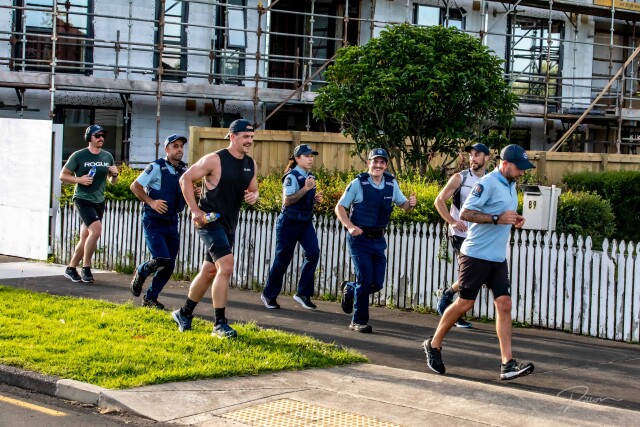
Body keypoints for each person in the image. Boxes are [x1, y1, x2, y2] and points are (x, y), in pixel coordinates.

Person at [423, 144, 536, 380]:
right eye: (519, 168)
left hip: (497, 257)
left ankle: (507, 364)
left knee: (504, 304)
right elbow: (466, 213)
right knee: (465, 303)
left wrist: (513, 218)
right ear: (505, 164)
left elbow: (501, 212)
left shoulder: (511, 184)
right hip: (475, 254)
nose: (522, 172)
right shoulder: (487, 183)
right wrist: (496, 218)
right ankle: (433, 344)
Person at [171, 119, 259, 339]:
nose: (249, 140)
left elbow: (253, 189)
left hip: (229, 224)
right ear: (233, 136)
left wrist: (253, 196)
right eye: (245, 136)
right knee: (226, 267)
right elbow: (185, 179)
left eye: (251, 137)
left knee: (210, 271)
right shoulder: (215, 159)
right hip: (209, 221)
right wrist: (195, 211)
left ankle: (184, 313)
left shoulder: (251, 164)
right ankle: (219, 324)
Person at [335, 148, 416, 333]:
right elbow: (340, 207)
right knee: (365, 281)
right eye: (375, 161)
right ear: (369, 163)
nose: (378, 165)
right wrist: (349, 226)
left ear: (386, 165)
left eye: (382, 162)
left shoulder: (391, 184)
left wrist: (410, 204)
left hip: (378, 240)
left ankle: (350, 288)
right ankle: (358, 321)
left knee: (376, 283)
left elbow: (403, 206)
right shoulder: (358, 183)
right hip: (359, 239)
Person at [433, 143, 491, 328]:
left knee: (480, 274)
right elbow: (439, 201)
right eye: (471, 155)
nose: (473, 158)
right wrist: (452, 221)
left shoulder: (490, 180)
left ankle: (448, 293)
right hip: (461, 234)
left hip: (480, 235)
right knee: (470, 274)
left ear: (487, 158)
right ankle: (453, 311)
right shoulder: (461, 178)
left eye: (477, 155)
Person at [129, 134, 189, 309]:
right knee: (161, 258)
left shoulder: (183, 171)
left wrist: (194, 193)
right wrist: (152, 202)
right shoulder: (156, 167)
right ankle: (141, 271)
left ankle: (150, 299)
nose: (179, 149)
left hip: (172, 221)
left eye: (181, 146)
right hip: (154, 221)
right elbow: (135, 186)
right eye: (175, 146)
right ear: (166, 149)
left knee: (169, 265)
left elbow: (183, 192)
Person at [261, 144, 323, 310]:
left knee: (313, 253)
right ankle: (268, 295)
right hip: (289, 222)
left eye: (312, 156)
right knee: (282, 260)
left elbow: (302, 199)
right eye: (307, 156)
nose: (311, 159)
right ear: (297, 158)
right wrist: (306, 188)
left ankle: (303, 293)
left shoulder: (310, 176)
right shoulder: (291, 176)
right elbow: (288, 200)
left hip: (305, 222)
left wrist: (313, 198)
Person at [60, 124, 119, 283]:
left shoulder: (107, 156)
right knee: (96, 230)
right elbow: (63, 175)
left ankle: (71, 268)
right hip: (82, 198)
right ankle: (86, 268)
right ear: (89, 138)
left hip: (99, 200)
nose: (101, 138)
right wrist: (79, 179)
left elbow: (112, 182)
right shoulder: (79, 155)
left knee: (86, 235)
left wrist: (114, 175)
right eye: (97, 136)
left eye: (103, 135)